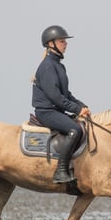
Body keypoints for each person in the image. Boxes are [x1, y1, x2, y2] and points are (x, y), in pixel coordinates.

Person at [32, 25, 91, 184]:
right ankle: (61, 171)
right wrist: (77, 109)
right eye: (62, 41)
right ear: (51, 44)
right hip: (46, 112)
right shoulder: (48, 66)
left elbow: (66, 94)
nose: (66, 44)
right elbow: (55, 97)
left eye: (65, 41)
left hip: (55, 111)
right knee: (75, 129)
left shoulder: (58, 65)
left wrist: (81, 105)